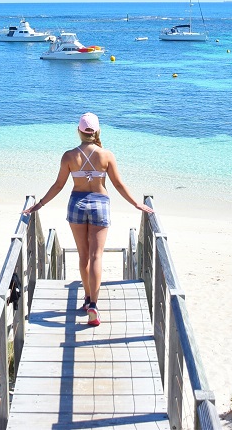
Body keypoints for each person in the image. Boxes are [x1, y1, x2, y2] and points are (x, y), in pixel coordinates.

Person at [23, 112, 152, 327]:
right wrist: (136, 204)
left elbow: (58, 185)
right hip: (100, 205)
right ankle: (93, 303)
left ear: (79, 132)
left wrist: (40, 204)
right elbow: (119, 185)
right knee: (96, 256)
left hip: (77, 204)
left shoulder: (69, 156)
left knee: (83, 255)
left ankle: (87, 298)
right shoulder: (107, 155)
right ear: (98, 131)